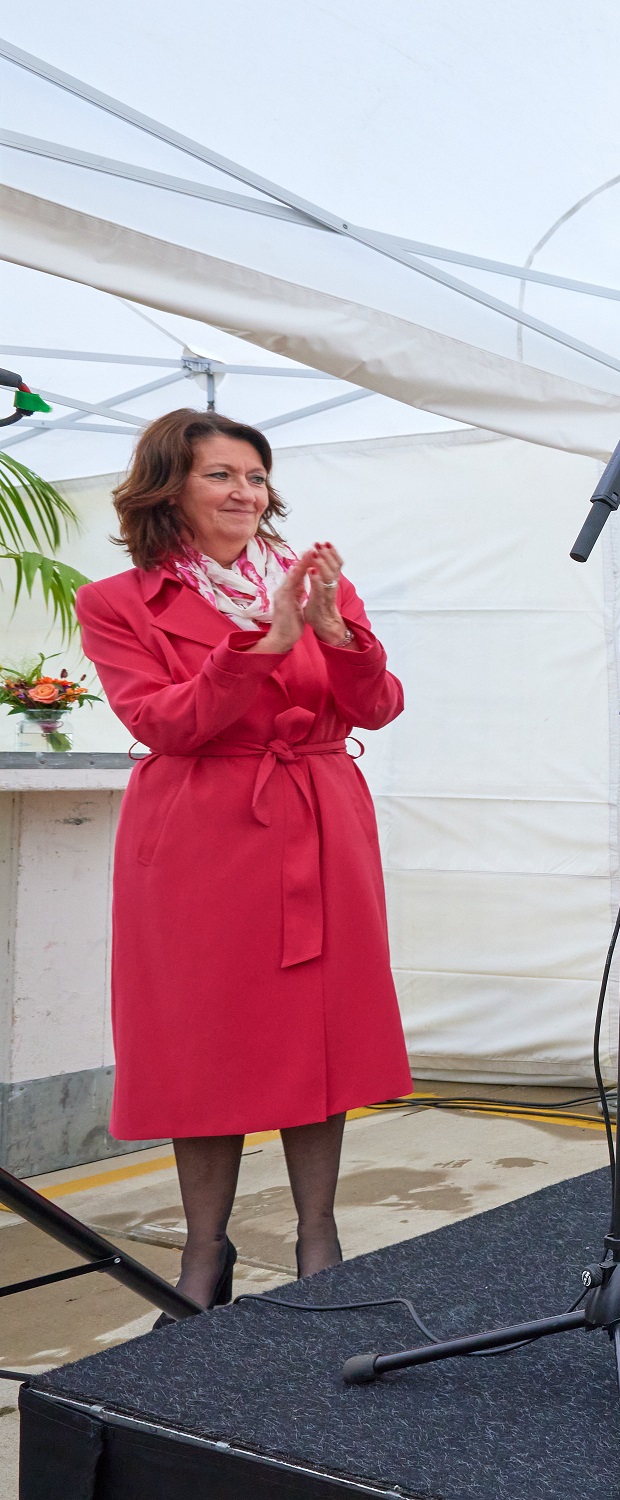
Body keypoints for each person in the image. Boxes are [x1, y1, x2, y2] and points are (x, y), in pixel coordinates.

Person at [76, 408, 409, 1316]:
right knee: (203, 1043)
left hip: (318, 821)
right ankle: (204, 1251)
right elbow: (162, 723)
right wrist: (257, 647)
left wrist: (337, 632)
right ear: (168, 488)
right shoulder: (115, 602)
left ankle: (318, 1239)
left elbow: (377, 707)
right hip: (198, 839)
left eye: (255, 477)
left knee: (319, 1035)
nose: (245, 493)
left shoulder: (313, 584)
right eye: (221, 475)